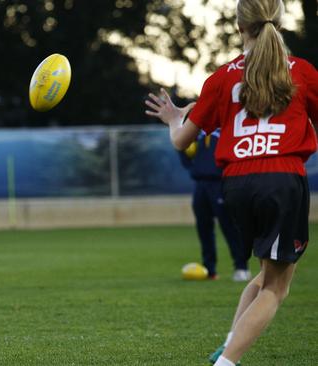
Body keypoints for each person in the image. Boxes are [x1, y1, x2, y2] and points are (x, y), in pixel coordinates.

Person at [145, 1, 317, 365]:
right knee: (276, 287)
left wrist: (175, 119)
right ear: (280, 23)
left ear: (240, 27)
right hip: (282, 178)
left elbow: (181, 140)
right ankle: (227, 363)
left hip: (236, 183)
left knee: (266, 275)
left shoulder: (222, 77)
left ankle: (228, 345)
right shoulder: (300, 72)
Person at [178, 129, 250, 281]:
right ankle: (209, 270)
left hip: (220, 183)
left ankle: (241, 267)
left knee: (229, 227)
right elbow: (182, 149)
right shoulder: (197, 132)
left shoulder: (226, 129)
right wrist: (193, 167)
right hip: (200, 184)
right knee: (203, 228)